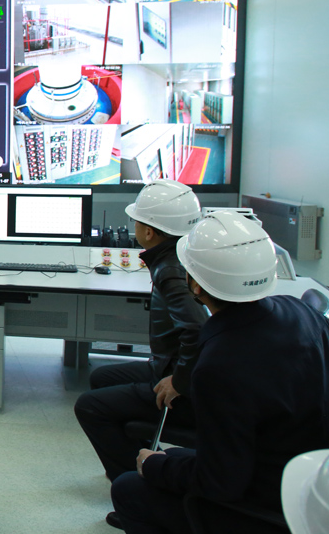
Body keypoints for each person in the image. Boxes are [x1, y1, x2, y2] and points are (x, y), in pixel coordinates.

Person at [111, 210, 329, 534]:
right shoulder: (300, 310)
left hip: (272, 502)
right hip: (311, 472)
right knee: (175, 457)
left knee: (128, 489)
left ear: (196, 285)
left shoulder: (218, 365)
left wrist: (155, 465)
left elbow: (221, 482)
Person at [74, 180, 207, 527]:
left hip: (180, 378)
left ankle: (138, 486)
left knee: (89, 407)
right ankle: (140, 458)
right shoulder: (176, 258)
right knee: (101, 377)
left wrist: (178, 381)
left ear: (148, 231)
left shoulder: (170, 271)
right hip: (170, 366)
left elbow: (196, 329)